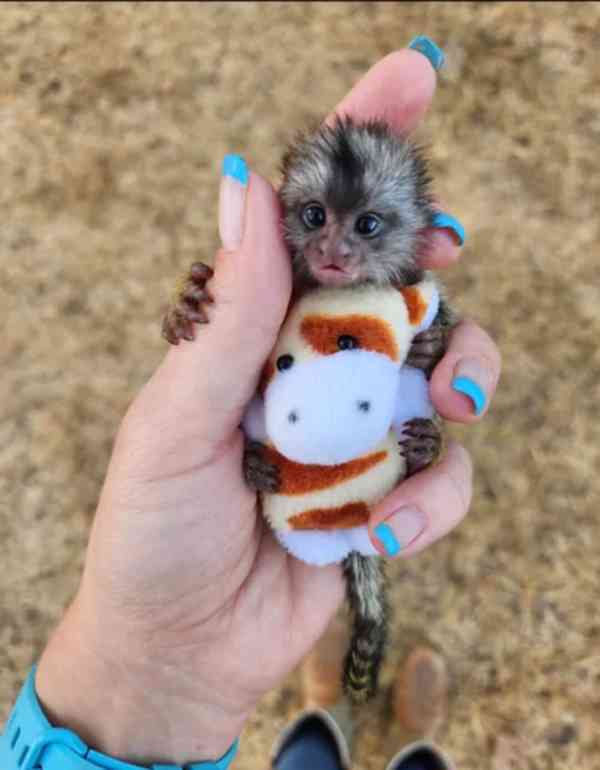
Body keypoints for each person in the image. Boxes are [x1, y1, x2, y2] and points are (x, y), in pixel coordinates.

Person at [0, 38, 500, 770]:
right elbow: (235, 367)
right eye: (313, 217)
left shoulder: (403, 306)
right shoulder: (272, 297)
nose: (333, 249)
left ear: (411, 231)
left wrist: (425, 397)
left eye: (366, 226)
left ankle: (327, 717)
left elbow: (419, 367)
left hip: (341, 495)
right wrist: (198, 310)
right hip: (272, 494)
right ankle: (372, 729)